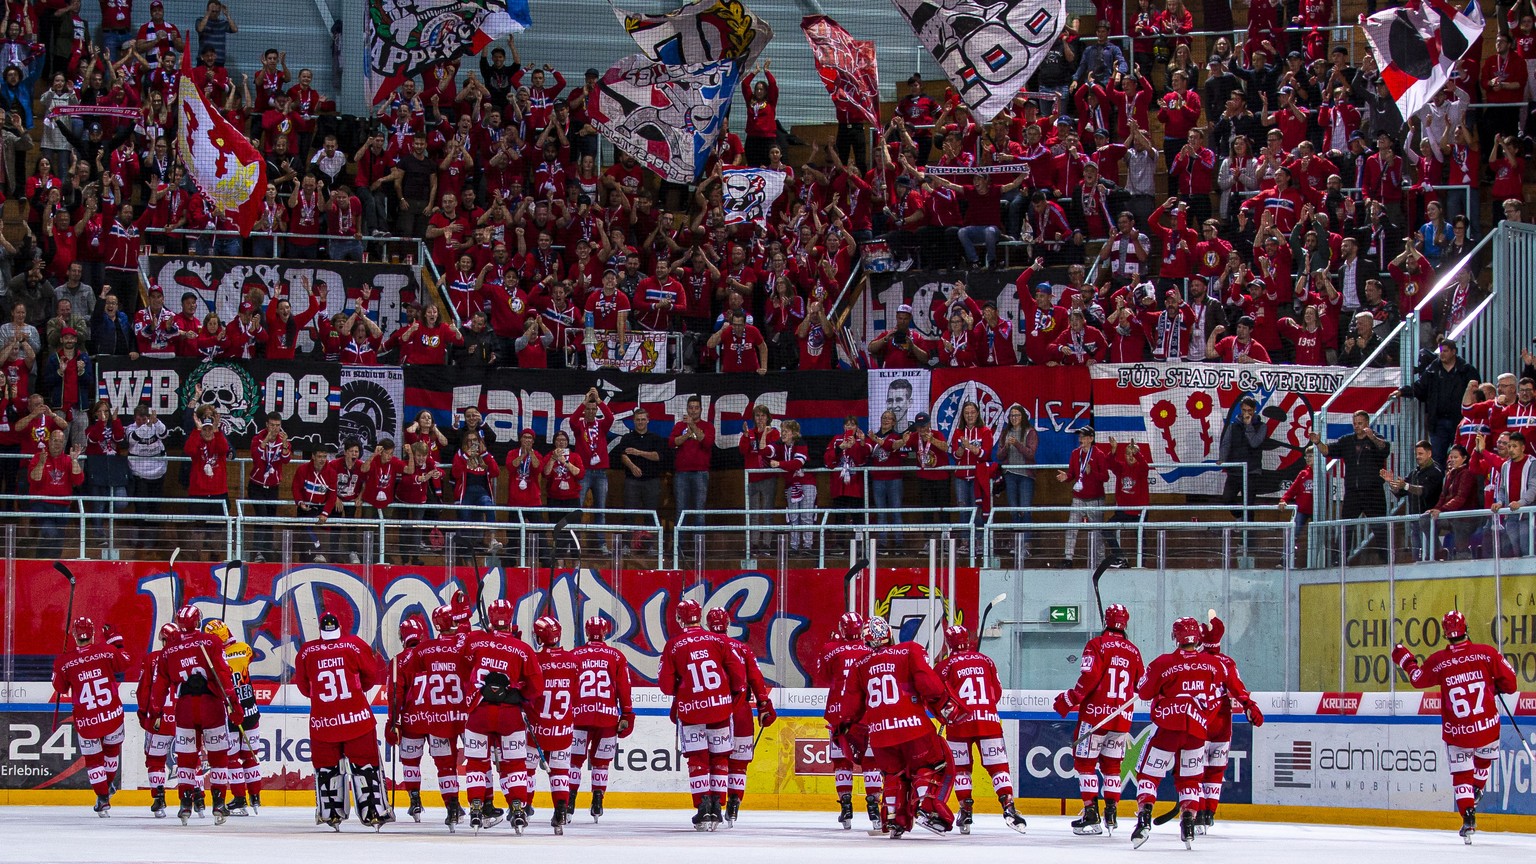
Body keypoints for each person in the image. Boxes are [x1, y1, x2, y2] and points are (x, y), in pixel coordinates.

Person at [1392, 610, 1518, 843]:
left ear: (1445, 634)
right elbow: (1511, 683)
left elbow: (1418, 679)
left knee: (1462, 775)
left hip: (1459, 732)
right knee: (1482, 758)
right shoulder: (1487, 653)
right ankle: (1478, 788)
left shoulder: (1440, 661)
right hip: (1487, 726)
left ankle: (1468, 817)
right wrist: (1496, 686)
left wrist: (1404, 659)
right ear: (1466, 628)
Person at [827, 617, 959, 837]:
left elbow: (850, 709)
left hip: (880, 735)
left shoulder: (860, 664)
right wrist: (944, 704)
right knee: (934, 764)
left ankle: (894, 818)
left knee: (893, 773)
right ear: (889, 633)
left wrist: (846, 730)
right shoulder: (909, 650)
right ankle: (926, 807)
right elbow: (928, 683)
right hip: (914, 728)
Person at [1128, 616, 1231, 849]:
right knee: (1190, 780)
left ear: (1176, 637)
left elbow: (1143, 692)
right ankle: (1188, 823)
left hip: (1168, 729)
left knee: (1148, 775)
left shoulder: (1163, 663)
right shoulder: (1213, 664)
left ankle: (1144, 819)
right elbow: (1220, 684)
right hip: (1196, 731)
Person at [293, 610, 390, 829]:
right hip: (357, 720)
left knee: (327, 769)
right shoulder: (354, 645)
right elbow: (370, 677)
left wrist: (326, 704)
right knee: (366, 765)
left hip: (323, 723)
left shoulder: (307, 651)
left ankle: (331, 812)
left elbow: (303, 686)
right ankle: (373, 809)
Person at [1054, 602, 1144, 836]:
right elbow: (1141, 685)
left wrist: (1069, 699)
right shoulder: (1134, 651)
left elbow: (1089, 677)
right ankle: (1111, 812)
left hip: (1095, 718)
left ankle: (1091, 813)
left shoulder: (1096, 645)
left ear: (1106, 620)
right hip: (1122, 719)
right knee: (1113, 766)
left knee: (1085, 764)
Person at [658, 598, 747, 830]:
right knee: (719, 758)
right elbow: (738, 675)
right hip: (719, 707)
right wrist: (731, 697)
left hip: (690, 711)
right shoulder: (718, 641)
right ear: (700, 616)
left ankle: (703, 807)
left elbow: (666, 686)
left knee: (697, 759)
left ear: (679, 619)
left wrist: (680, 685)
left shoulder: (673, 645)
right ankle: (718, 807)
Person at [149, 605, 239, 824]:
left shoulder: (168, 649)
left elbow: (160, 685)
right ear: (198, 621)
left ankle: (185, 803)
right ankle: (218, 803)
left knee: (187, 759)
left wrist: (155, 711)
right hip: (211, 705)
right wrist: (234, 703)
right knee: (218, 757)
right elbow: (224, 674)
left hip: (185, 707)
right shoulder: (211, 641)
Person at [935, 624, 1027, 833]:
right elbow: (996, 693)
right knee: (998, 768)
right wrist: (982, 709)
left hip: (959, 724)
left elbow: (936, 697)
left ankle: (965, 811)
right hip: (988, 721)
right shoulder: (986, 660)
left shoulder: (945, 666)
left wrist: (944, 716)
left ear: (949, 644)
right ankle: (1009, 807)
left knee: (961, 770)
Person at [460, 600, 543, 832]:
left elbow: (463, 670)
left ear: (488, 616)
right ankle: (517, 806)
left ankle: (476, 805)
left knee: (477, 762)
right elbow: (537, 686)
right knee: (515, 762)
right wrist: (518, 695)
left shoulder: (474, 640)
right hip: (510, 715)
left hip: (479, 712)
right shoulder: (522, 648)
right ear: (511, 617)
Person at [400, 602, 473, 827]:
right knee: (473, 763)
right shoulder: (463, 645)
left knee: (424, 763)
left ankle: (426, 803)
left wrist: (393, 721)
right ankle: (475, 805)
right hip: (460, 714)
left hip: (427, 717)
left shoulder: (416, 654)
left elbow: (397, 691)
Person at [51, 616, 130, 817]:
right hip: (111, 714)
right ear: (93, 633)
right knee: (111, 752)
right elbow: (124, 663)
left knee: (94, 760)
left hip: (86, 719)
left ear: (74, 636)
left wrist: (59, 668)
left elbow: (60, 688)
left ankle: (103, 798)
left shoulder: (65, 661)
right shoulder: (106, 651)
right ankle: (109, 785)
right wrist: (115, 641)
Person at [705, 607, 775, 825]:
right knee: (739, 762)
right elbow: (756, 678)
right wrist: (764, 705)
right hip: (741, 709)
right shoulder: (741, 649)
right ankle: (734, 801)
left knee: (713, 759)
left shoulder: (701, 647)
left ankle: (715, 802)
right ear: (727, 624)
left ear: (708, 624)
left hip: (712, 709)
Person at [815, 612, 882, 830]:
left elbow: (823, 679)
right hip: (865, 714)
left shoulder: (830, 649)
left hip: (837, 713)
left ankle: (846, 807)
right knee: (871, 763)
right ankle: (874, 807)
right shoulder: (871, 650)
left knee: (842, 763)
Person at [1194, 616, 1262, 831]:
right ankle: (1208, 814)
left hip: (1198, 725)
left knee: (1196, 771)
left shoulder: (1193, 661)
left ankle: (1199, 812)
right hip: (1222, 727)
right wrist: (1250, 706)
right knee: (1215, 771)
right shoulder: (1227, 662)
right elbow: (1239, 690)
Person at [568, 615, 634, 822]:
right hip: (607, 717)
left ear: (586, 632)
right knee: (601, 763)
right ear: (606, 632)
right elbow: (624, 688)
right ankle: (598, 800)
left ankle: (569, 801)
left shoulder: (574, 655)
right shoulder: (615, 656)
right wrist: (627, 713)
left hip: (579, 716)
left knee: (574, 762)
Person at [1310, 411, 1391, 563]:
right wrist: (1318, 443)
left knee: (1380, 528)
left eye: (1360, 423)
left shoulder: (1377, 440)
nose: (1357, 426)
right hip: (1353, 493)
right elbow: (1327, 451)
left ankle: (1386, 559)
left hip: (1373, 492)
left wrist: (1372, 437)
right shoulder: (1347, 441)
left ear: (1367, 424)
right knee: (1346, 527)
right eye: (1354, 423)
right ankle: (1339, 560)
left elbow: (1384, 449)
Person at [202, 618, 262, 816]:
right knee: (250, 756)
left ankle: (239, 798)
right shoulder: (244, 648)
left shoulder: (213, 659)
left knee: (232, 758)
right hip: (251, 709)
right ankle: (255, 796)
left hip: (230, 711)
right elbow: (249, 658)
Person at [1400, 339, 1480, 464]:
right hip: (1438, 422)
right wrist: (1403, 391)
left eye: (1445, 351)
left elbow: (1477, 393)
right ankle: (1438, 483)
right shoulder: (1432, 370)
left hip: (1459, 421)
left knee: (1460, 456)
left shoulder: (1466, 370)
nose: (1442, 354)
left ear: (1454, 352)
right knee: (1437, 458)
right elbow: (1420, 387)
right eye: (1441, 351)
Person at [384, 617, 430, 822]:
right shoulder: (433, 655)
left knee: (411, 763)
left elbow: (395, 696)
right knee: (445, 763)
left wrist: (393, 722)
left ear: (402, 637)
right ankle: (453, 806)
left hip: (412, 719)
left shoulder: (397, 661)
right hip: (437, 718)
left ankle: (415, 801)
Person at [1382, 440, 1444, 560]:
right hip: (1414, 520)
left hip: (1429, 520)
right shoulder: (1414, 473)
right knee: (1417, 556)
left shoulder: (1436, 471)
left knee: (1430, 554)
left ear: (1429, 453)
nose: (1417, 457)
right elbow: (1400, 492)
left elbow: (1423, 491)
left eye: (1420, 454)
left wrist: (1405, 485)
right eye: (1416, 454)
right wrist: (1390, 482)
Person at [569, 386, 614, 549]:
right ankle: (574, 544)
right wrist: (584, 401)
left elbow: (610, 418)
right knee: (578, 508)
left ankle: (601, 544)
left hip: (601, 473)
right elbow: (572, 420)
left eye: (593, 409)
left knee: (600, 510)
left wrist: (600, 401)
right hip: (583, 473)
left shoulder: (601, 425)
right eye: (588, 409)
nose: (590, 411)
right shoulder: (579, 426)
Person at [1059, 427, 1110, 568]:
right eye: (1080, 437)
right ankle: (1068, 558)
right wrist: (1066, 477)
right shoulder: (1075, 454)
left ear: (1091, 439)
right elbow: (1072, 474)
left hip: (1095, 499)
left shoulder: (1099, 455)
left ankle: (1100, 560)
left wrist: (1092, 472)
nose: (1080, 439)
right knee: (1071, 527)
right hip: (1079, 498)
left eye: (1083, 437)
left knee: (1097, 531)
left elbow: (1105, 477)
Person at [618, 407, 665, 552]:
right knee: (629, 514)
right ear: (634, 421)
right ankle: (626, 545)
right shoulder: (627, 438)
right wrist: (632, 466)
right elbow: (623, 455)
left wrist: (638, 453)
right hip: (632, 481)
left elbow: (657, 456)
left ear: (648, 420)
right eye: (638, 420)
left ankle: (650, 546)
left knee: (651, 514)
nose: (640, 422)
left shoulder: (655, 438)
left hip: (651, 481)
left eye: (643, 419)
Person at [769, 419, 814, 552]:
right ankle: (794, 546)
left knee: (806, 516)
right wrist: (765, 436)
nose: (782, 433)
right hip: (790, 484)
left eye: (786, 431)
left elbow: (797, 463)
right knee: (793, 517)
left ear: (794, 433)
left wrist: (779, 464)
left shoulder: (801, 444)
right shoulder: (780, 445)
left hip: (807, 483)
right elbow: (765, 452)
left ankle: (807, 546)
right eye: (782, 431)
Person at [1427, 444, 1479, 559]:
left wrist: (1441, 510)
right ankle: (1439, 552)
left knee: (1460, 533)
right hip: (1450, 516)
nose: (1452, 460)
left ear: (1464, 458)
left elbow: (1460, 498)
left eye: (1456, 457)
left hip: (1465, 518)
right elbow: (1442, 496)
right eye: (1451, 457)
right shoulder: (1450, 474)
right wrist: (1435, 510)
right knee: (1425, 520)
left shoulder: (1467, 474)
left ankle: (1464, 560)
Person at [669, 395, 714, 526]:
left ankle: (698, 546)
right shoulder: (679, 425)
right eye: (691, 408)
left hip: (701, 473)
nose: (693, 411)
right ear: (687, 409)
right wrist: (687, 434)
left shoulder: (708, 426)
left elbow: (707, 442)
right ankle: (679, 546)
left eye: (696, 408)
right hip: (682, 473)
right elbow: (672, 442)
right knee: (680, 510)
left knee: (699, 511)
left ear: (701, 409)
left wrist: (692, 426)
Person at [1218, 397, 1264, 522]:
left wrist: (1249, 426)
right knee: (1227, 499)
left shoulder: (1261, 426)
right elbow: (1226, 443)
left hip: (1251, 472)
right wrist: (1222, 458)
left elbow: (1254, 443)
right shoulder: (1233, 426)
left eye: (1249, 410)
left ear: (1254, 410)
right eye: (1244, 410)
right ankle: (1240, 517)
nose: (1246, 413)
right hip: (1234, 471)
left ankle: (1248, 537)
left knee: (1248, 504)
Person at [1490, 431, 1535, 556]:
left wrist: (1520, 503)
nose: (1511, 449)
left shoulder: (1532, 463)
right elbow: (1503, 489)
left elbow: (1533, 490)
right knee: (1515, 550)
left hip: (1527, 515)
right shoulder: (1506, 465)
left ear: (1523, 447)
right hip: (1511, 515)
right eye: (1509, 446)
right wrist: (1499, 502)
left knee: (1526, 548)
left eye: (1514, 446)